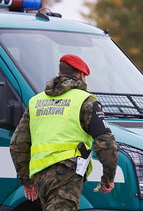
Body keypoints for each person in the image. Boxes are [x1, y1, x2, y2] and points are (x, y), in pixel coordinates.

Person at [10, 54, 118, 211]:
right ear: (81, 75)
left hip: (40, 176)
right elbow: (106, 142)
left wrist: (27, 181)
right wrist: (108, 177)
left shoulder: (36, 102)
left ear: (59, 73)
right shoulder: (85, 101)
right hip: (66, 174)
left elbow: (17, 144)